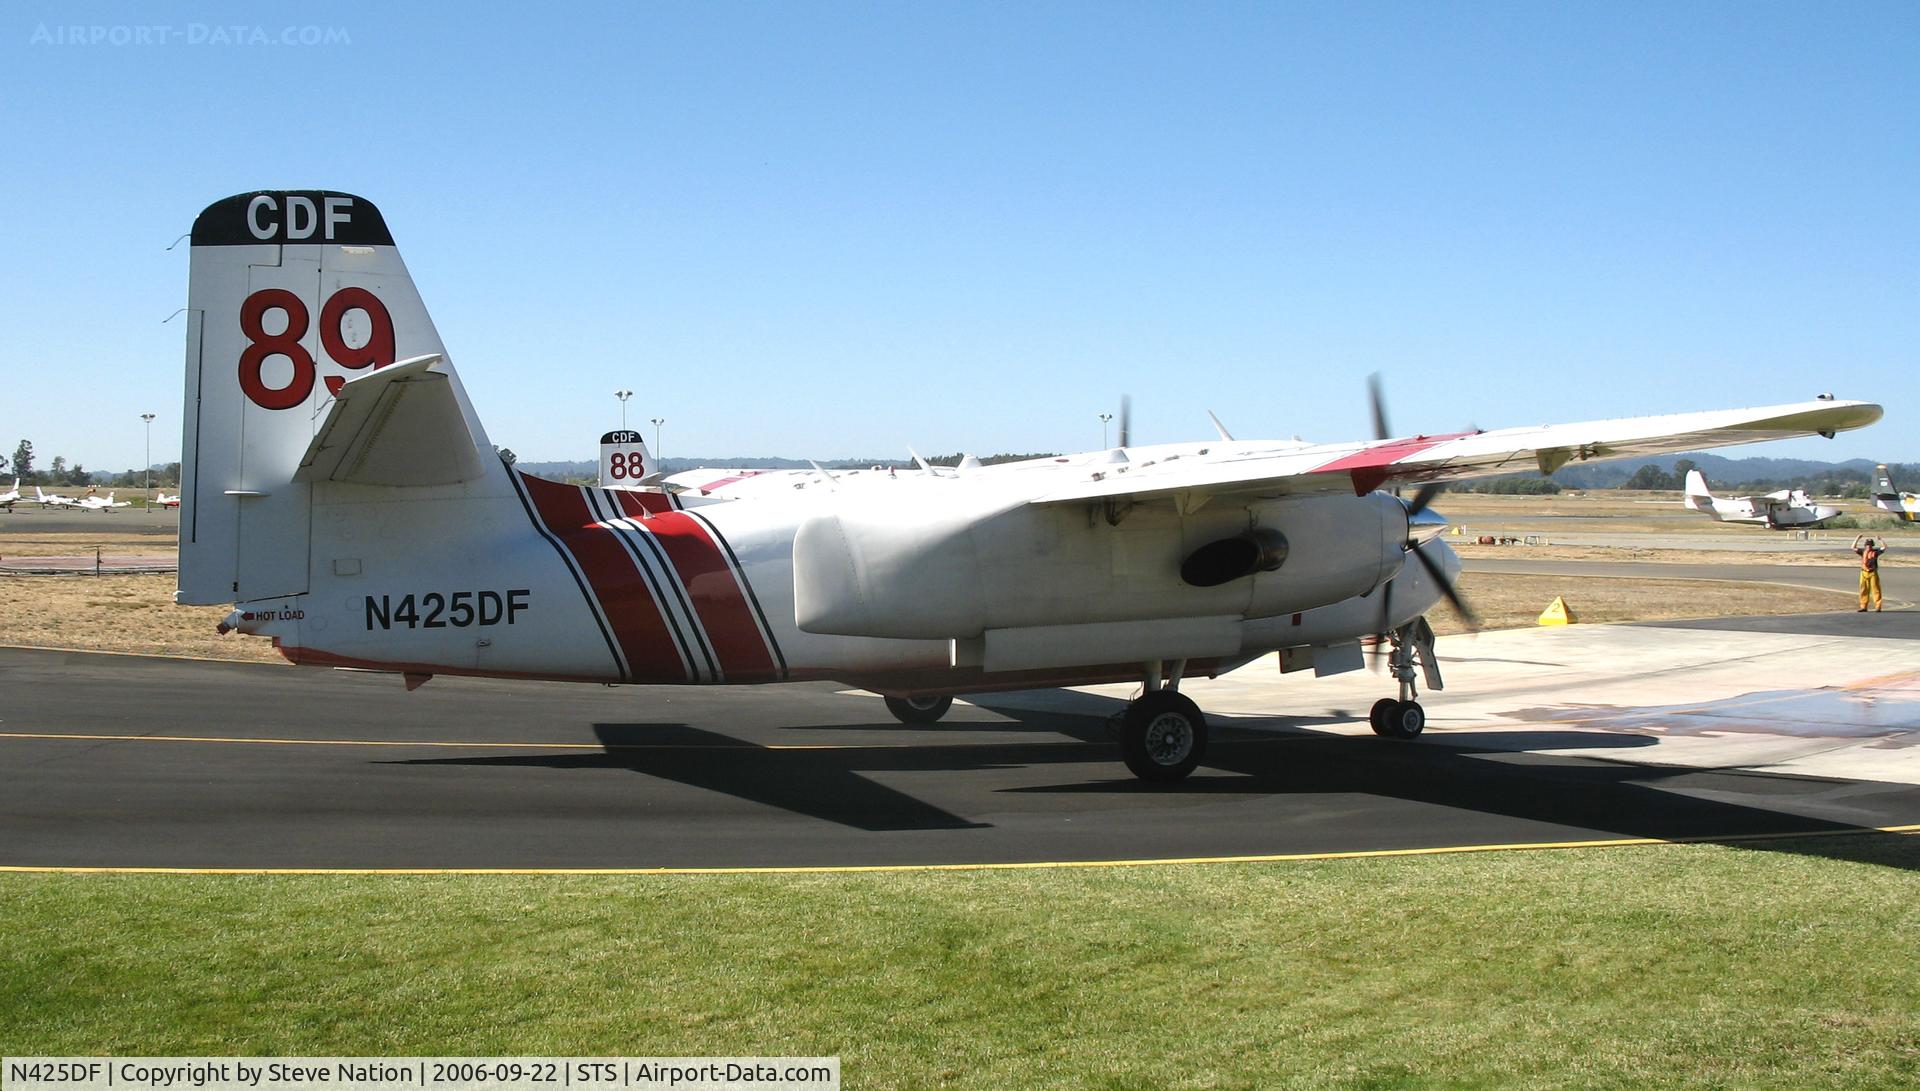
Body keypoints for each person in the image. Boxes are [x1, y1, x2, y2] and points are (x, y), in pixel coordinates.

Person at [1854, 534, 1888, 612]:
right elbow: (1853, 547)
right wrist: (1857, 538)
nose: (1868, 546)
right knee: (1863, 590)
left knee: (1876, 590)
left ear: (1872, 546)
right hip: (1863, 573)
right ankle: (1863, 606)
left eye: (1870, 545)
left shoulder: (1875, 552)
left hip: (1873, 573)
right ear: (1865, 546)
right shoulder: (1862, 552)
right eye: (1867, 545)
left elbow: (1885, 547)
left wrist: (1880, 539)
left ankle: (1878, 607)